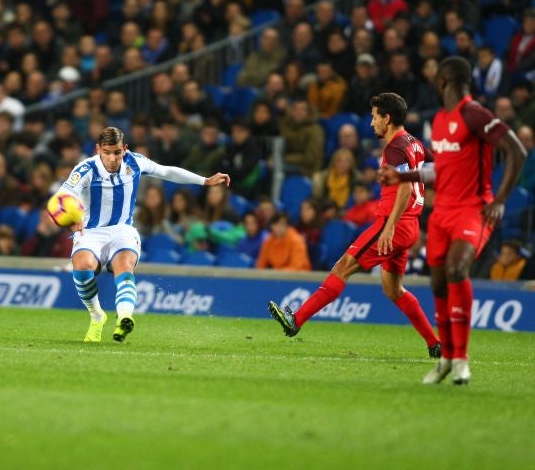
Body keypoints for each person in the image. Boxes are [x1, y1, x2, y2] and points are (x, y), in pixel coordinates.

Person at [380, 57, 526, 385]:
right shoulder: (442, 120)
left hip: (472, 209)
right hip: (442, 211)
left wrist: (500, 200)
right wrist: (402, 176)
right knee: (437, 283)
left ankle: (461, 359)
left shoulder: (473, 113)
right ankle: (445, 358)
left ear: (443, 81)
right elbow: (440, 170)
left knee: (457, 269)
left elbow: (517, 151)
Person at [269, 93, 440, 358]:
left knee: (342, 267)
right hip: (411, 226)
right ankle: (434, 343)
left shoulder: (395, 146)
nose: (372, 124)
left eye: (374, 117)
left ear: (387, 118)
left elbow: (405, 186)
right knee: (393, 289)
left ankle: (296, 320)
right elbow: (433, 164)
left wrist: (391, 226)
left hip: (392, 225)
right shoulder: (414, 143)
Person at [53, 126, 230, 343]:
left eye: (117, 153)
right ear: (98, 149)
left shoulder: (135, 162)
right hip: (91, 231)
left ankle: (125, 317)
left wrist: (204, 181)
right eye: (107, 152)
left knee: (124, 268)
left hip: (123, 230)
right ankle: (97, 315)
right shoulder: (86, 168)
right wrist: (72, 218)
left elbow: (166, 171)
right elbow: (62, 195)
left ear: (124, 149)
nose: (112, 158)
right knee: (81, 267)